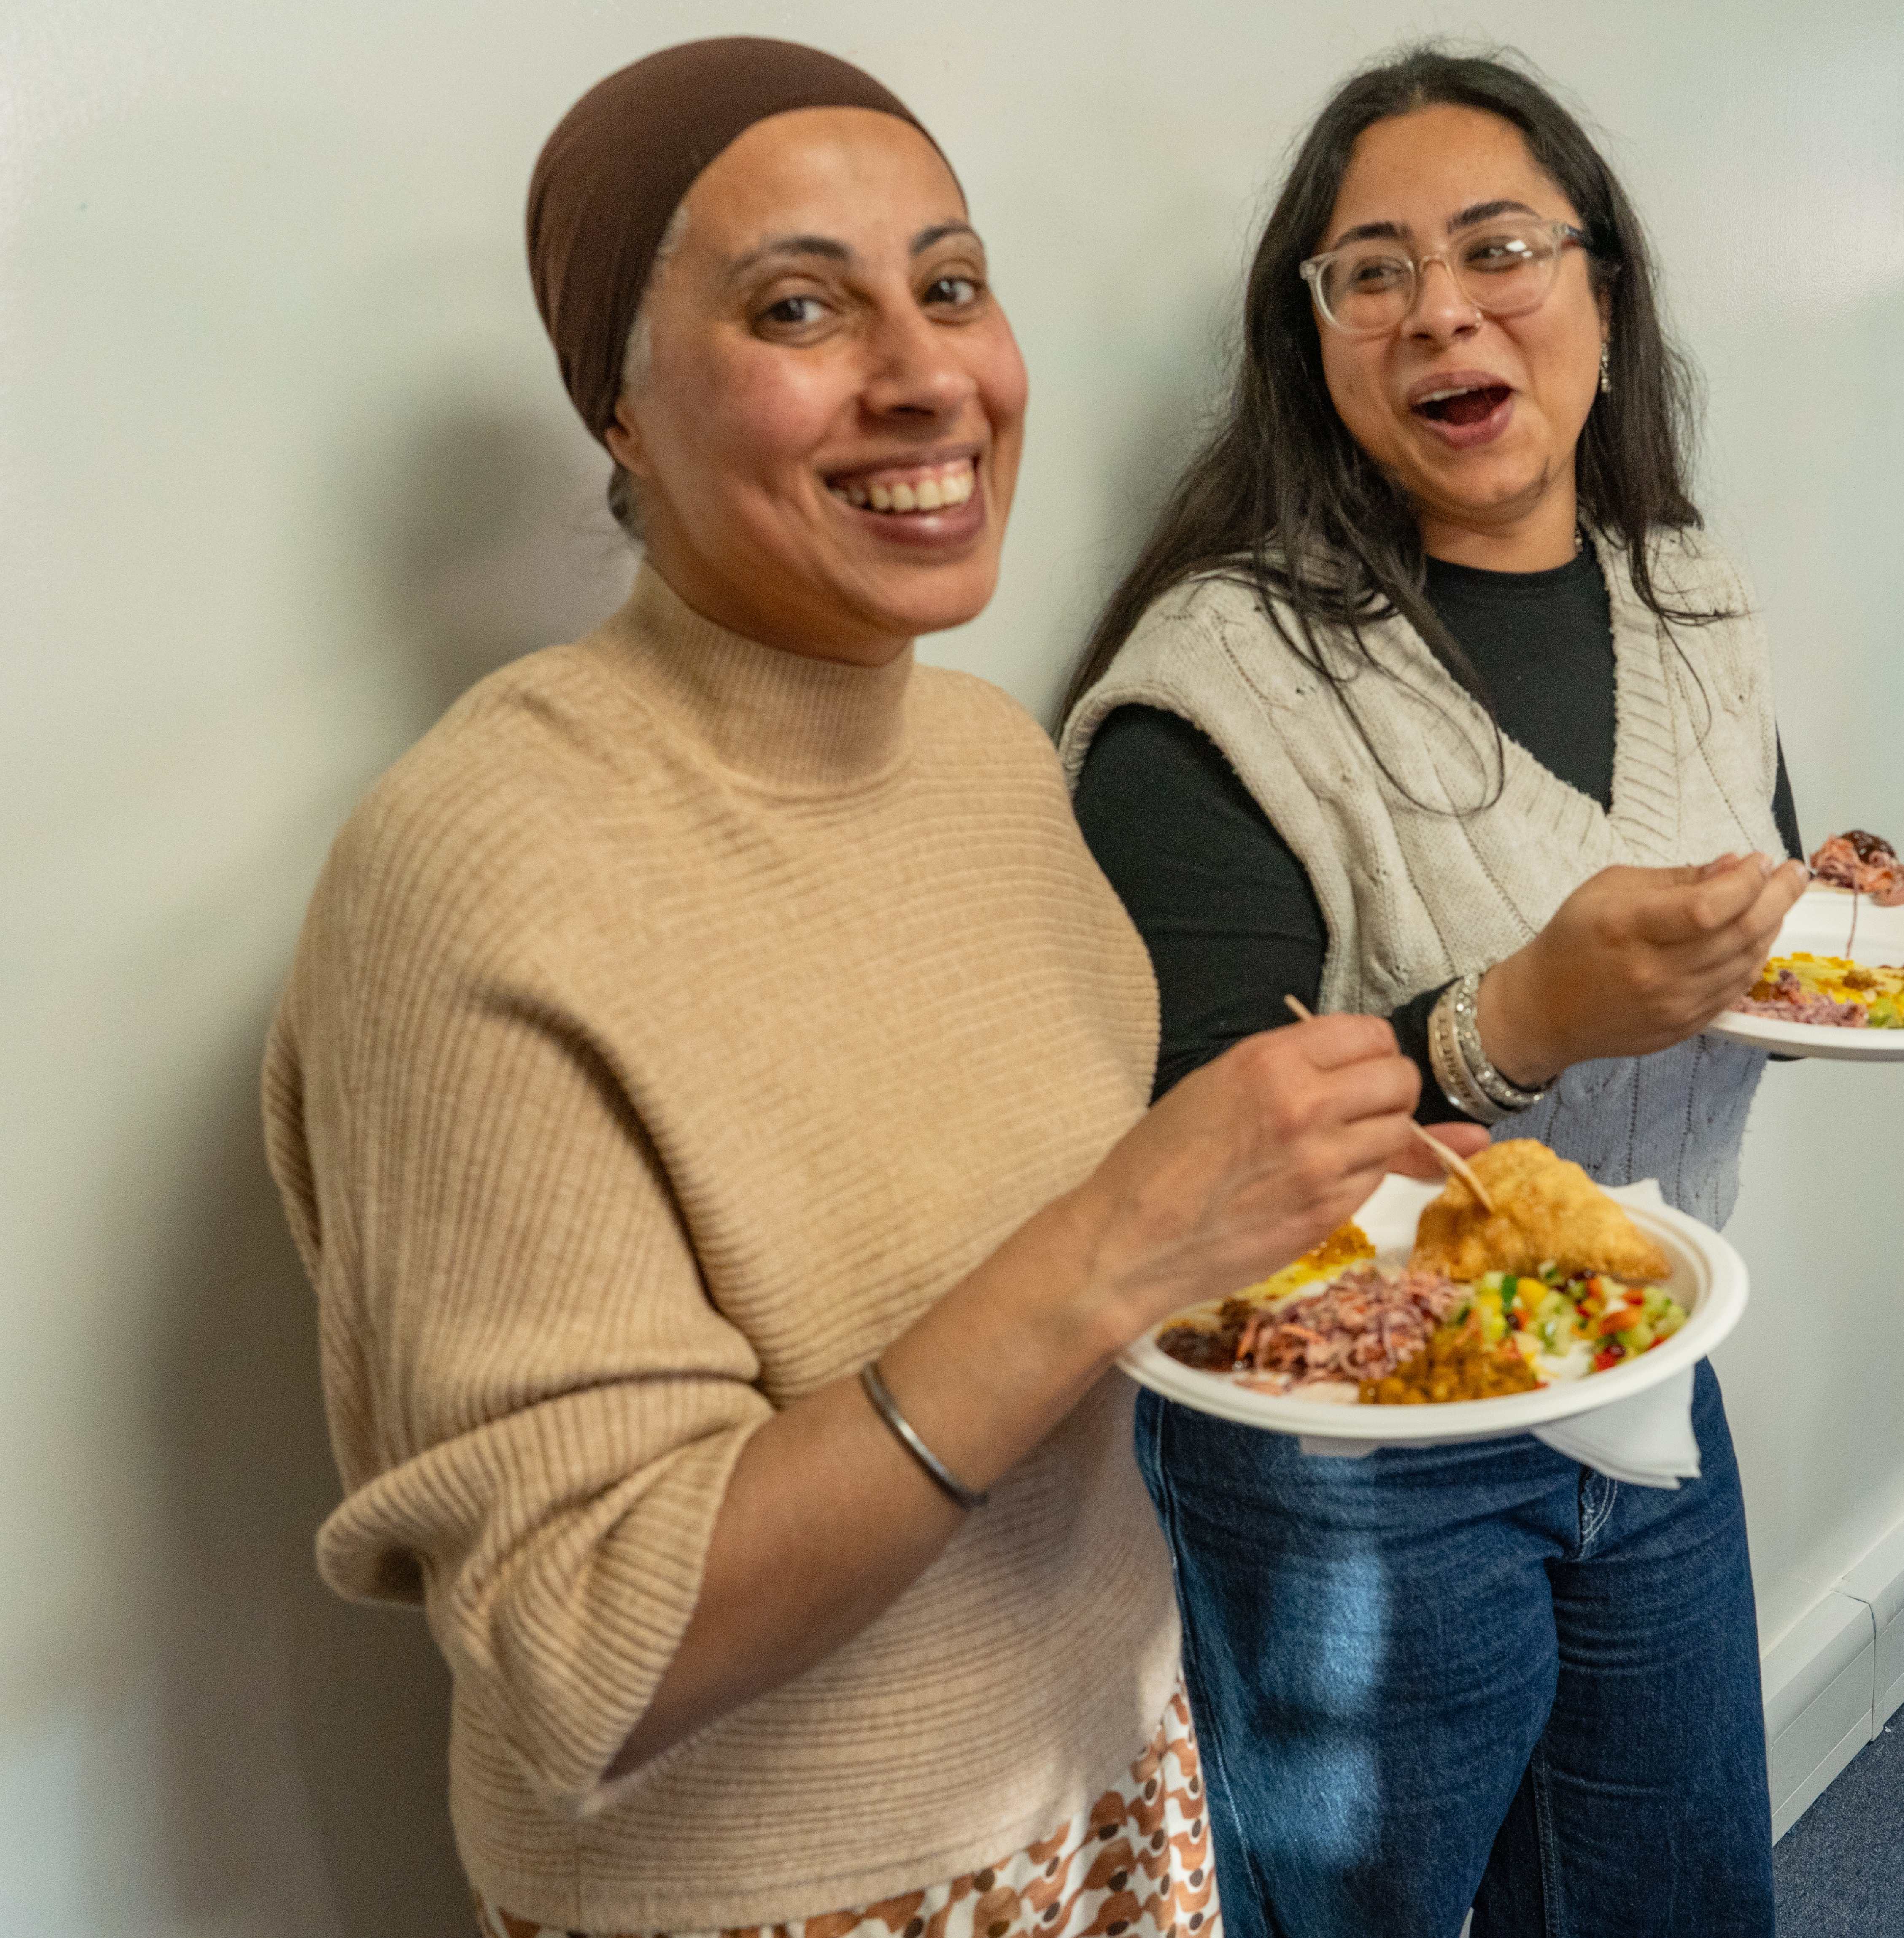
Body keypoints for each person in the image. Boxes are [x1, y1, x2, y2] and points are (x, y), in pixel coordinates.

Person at [264, 38, 1474, 1938]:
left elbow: (1041, 1265)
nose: (925, 375)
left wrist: (1287, 1224)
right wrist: (1116, 1237)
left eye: (953, 284)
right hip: (783, 1895)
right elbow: (590, 1652)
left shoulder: (992, 761)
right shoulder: (476, 872)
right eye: (798, 307)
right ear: (620, 408)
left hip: (1109, 1776)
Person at [1056, 46, 1904, 1938]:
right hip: (1352, 1474)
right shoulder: (1214, 686)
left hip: (1642, 1381)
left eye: (1495, 249)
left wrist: (1852, 927)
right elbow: (1193, 1175)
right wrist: (1501, 1026)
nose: (1438, 308)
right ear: (1311, 347)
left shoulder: (1692, 598)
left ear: (1601, 298)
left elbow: (1730, 913)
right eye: (1367, 273)